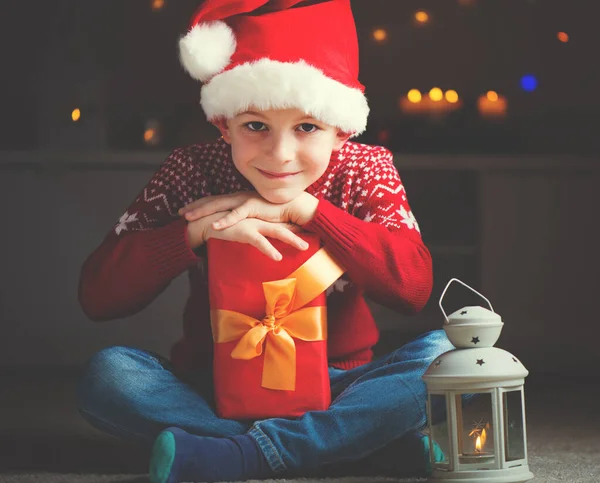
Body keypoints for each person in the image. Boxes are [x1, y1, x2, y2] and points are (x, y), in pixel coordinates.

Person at [76, 1, 460, 482]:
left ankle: (242, 454)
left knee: (447, 358)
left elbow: (413, 288)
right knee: (109, 375)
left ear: (341, 131)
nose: (280, 155)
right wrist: (196, 233)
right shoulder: (192, 169)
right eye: (255, 126)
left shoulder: (366, 168)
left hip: (337, 382)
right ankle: (349, 444)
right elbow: (97, 294)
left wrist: (307, 211)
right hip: (214, 384)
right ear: (223, 125)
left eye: (307, 127)